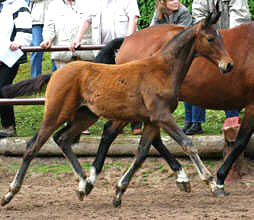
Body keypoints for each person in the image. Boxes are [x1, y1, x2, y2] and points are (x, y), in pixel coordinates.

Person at [71, 0, 140, 135]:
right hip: (103, 51)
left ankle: (135, 123)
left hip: (123, 51)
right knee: (105, 88)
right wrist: (77, 39)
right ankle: (106, 122)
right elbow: (86, 20)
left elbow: (133, 19)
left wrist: (128, 43)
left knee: (131, 86)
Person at [183, 0, 251, 135]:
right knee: (197, 77)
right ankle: (195, 122)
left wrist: (227, 39)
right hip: (211, 40)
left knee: (231, 80)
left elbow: (240, 18)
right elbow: (198, 16)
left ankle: (232, 121)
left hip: (233, 40)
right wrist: (209, 35)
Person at [133, 0, 192, 135]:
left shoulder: (184, 12)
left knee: (190, 85)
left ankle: (193, 122)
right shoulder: (158, 12)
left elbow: (180, 37)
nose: (176, 1)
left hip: (183, 54)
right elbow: (152, 32)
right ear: (163, 2)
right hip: (166, 54)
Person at [0, 0, 32, 137]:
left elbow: (24, 28)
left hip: (10, 54)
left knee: (2, 88)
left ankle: (9, 126)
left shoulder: (18, 4)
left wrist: (20, 42)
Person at [30, 0, 56, 78]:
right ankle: (35, 80)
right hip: (37, 20)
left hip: (56, 18)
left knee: (57, 49)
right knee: (36, 49)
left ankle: (55, 78)